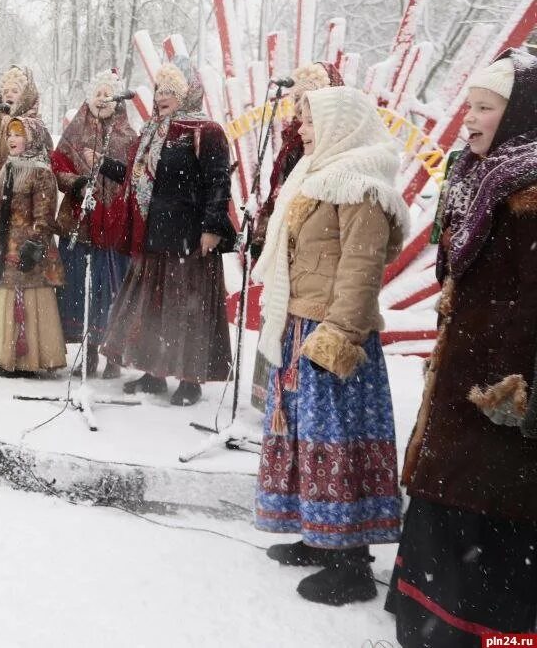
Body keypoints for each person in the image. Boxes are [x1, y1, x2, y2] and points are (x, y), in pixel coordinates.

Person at [387, 51, 537, 644]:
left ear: (520, 112)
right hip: (459, 368)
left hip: (510, 383)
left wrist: (528, 387)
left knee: (492, 508)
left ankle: (477, 631)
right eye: (469, 105)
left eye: (485, 107)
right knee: (445, 493)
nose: (469, 118)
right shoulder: (474, 176)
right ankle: (424, 616)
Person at [251, 85, 407, 606]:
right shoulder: (317, 175)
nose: (303, 129)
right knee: (305, 441)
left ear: (343, 124)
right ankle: (318, 535)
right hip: (300, 326)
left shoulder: (361, 186)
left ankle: (351, 563)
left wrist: (337, 339)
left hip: (332, 334)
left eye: (312, 121)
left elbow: (360, 274)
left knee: (335, 445)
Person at [98, 59, 234, 406]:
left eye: (171, 90)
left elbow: (219, 181)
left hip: (189, 238)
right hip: (156, 235)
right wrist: (105, 164)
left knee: (188, 310)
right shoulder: (153, 131)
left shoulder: (205, 131)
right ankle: (153, 372)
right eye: (159, 89)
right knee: (154, 308)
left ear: (188, 93)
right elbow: (139, 178)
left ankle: (191, 379)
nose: (162, 96)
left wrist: (212, 227)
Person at [248, 60, 346, 409]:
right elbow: (277, 189)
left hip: (312, 262)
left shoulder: (334, 152)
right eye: (299, 98)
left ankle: (287, 404)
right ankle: (269, 399)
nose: (302, 107)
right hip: (287, 238)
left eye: (310, 98)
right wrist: (264, 227)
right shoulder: (292, 139)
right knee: (277, 314)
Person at [50, 70, 138, 377]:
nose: (102, 99)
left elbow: (133, 176)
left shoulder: (127, 136)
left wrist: (105, 164)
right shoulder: (75, 131)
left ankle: (111, 354)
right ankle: (86, 353)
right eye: (97, 93)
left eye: (107, 94)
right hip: (79, 222)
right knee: (79, 289)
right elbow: (57, 165)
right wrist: (76, 182)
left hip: (112, 226)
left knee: (108, 290)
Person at [0, 117, 66, 374]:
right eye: (9, 134)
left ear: (32, 138)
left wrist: (34, 245)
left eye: (18, 134)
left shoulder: (41, 172)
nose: (11, 139)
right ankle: (4, 354)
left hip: (27, 246)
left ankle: (26, 360)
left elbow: (44, 215)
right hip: (5, 245)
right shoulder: (8, 167)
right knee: (4, 299)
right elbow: (0, 208)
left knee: (26, 301)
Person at [0, 65, 52, 322]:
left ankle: (20, 343)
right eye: (4, 90)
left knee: (20, 284)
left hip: (24, 222)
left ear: (26, 95)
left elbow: (44, 182)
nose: (8, 95)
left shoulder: (35, 129)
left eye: (14, 90)